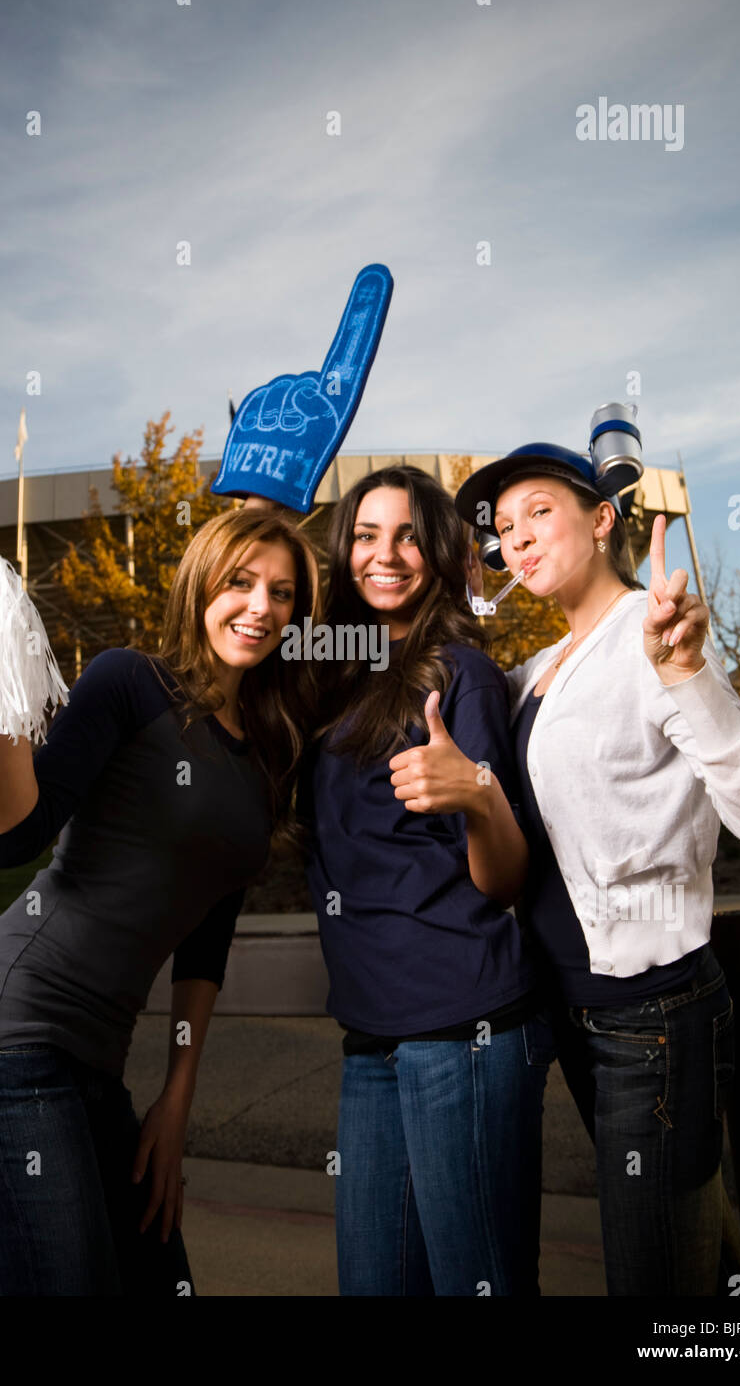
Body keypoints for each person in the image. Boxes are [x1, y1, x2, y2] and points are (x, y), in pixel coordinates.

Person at [394, 442, 740, 1296]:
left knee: (659, 1285)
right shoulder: (536, 672)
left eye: (540, 513)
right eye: (504, 530)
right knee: (693, 1257)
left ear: (602, 517)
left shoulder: (653, 638)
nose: (518, 539)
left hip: (652, 1014)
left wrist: (689, 674)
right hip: (572, 1009)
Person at [0, 507, 320, 1296]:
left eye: (282, 592)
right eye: (240, 582)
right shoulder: (130, 681)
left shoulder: (267, 751)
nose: (261, 607)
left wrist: (176, 1098)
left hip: (94, 1068)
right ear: (202, 583)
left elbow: (209, 933)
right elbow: (12, 837)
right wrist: (3, 665)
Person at [295, 465, 551, 1297]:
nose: (387, 555)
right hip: (369, 1033)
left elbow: (506, 881)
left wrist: (475, 792)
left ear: (439, 551)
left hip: (464, 1029)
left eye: (409, 535)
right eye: (367, 535)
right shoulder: (331, 676)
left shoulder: (460, 676)